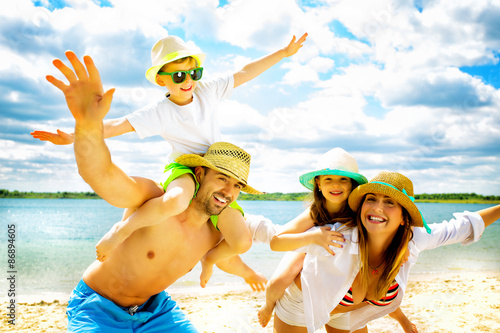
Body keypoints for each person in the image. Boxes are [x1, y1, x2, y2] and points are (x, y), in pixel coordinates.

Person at [33, 33, 308, 287]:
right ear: (161, 80)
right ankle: (122, 230)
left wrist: (283, 52)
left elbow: (245, 72)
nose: (188, 80)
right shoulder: (160, 111)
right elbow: (118, 125)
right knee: (176, 201)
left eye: (193, 73)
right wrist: (74, 134)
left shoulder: (207, 91)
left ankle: (208, 259)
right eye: (178, 76)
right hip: (185, 167)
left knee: (241, 241)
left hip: (217, 168)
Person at [44, 51, 267, 332]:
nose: (228, 192)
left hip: (158, 310)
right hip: (98, 308)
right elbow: (101, 174)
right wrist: (88, 127)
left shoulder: (217, 231)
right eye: (222, 178)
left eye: (237, 186)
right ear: (199, 172)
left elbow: (229, 257)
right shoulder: (154, 199)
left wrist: (251, 274)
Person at [273, 171, 500, 333]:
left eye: (389, 202)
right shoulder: (337, 236)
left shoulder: (413, 240)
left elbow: (464, 227)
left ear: (404, 219)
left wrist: (402, 320)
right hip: (301, 304)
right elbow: (278, 241)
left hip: (347, 313)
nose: (377, 207)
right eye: (371, 199)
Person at [256, 148, 415, 332]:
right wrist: (313, 236)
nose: (335, 185)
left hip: (338, 266)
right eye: (328, 179)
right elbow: (276, 242)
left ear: (353, 184)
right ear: (319, 183)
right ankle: (267, 306)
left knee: (376, 278)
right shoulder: (316, 211)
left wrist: (405, 247)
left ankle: (400, 318)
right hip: (311, 245)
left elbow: (390, 228)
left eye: (343, 179)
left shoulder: (360, 209)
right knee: (279, 281)